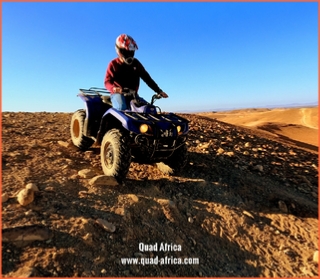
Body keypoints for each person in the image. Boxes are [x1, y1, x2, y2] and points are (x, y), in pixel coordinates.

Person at [104, 34, 168, 110]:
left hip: (133, 94)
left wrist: (159, 91)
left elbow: (147, 78)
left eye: (131, 52)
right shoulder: (113, 64)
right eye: (126, 52)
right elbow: (107, 82)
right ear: (119, 51)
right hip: (118, 94)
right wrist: (114, 89)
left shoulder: (136, 64)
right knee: (122, 108)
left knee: (147, 109)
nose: (129, 55)